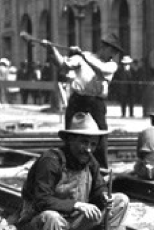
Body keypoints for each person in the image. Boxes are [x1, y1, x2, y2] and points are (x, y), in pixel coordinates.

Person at [13, 112, 140, 230]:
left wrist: (104, 196)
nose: (88, 149)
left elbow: (99, 188)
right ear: (70, 140)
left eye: (93, 144)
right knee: (51, 217)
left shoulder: (90, 162)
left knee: (121, 200)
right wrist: (77, 205)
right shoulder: (51, 161)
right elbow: (41, 201)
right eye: (83, 142)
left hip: (71, 223)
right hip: (37, 223)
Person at [43, 33, 125, 169]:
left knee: (100, 138)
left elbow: (101, 71)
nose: (114, 55)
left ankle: (102, 170)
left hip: (96, 103)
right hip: (77, 100)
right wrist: (51, 49)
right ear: (104, 47)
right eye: (113, 50)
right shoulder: (84, 56)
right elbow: (63, 65)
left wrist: (83, 56)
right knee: (71, 135)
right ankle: (68, 168)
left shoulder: (111, 65)